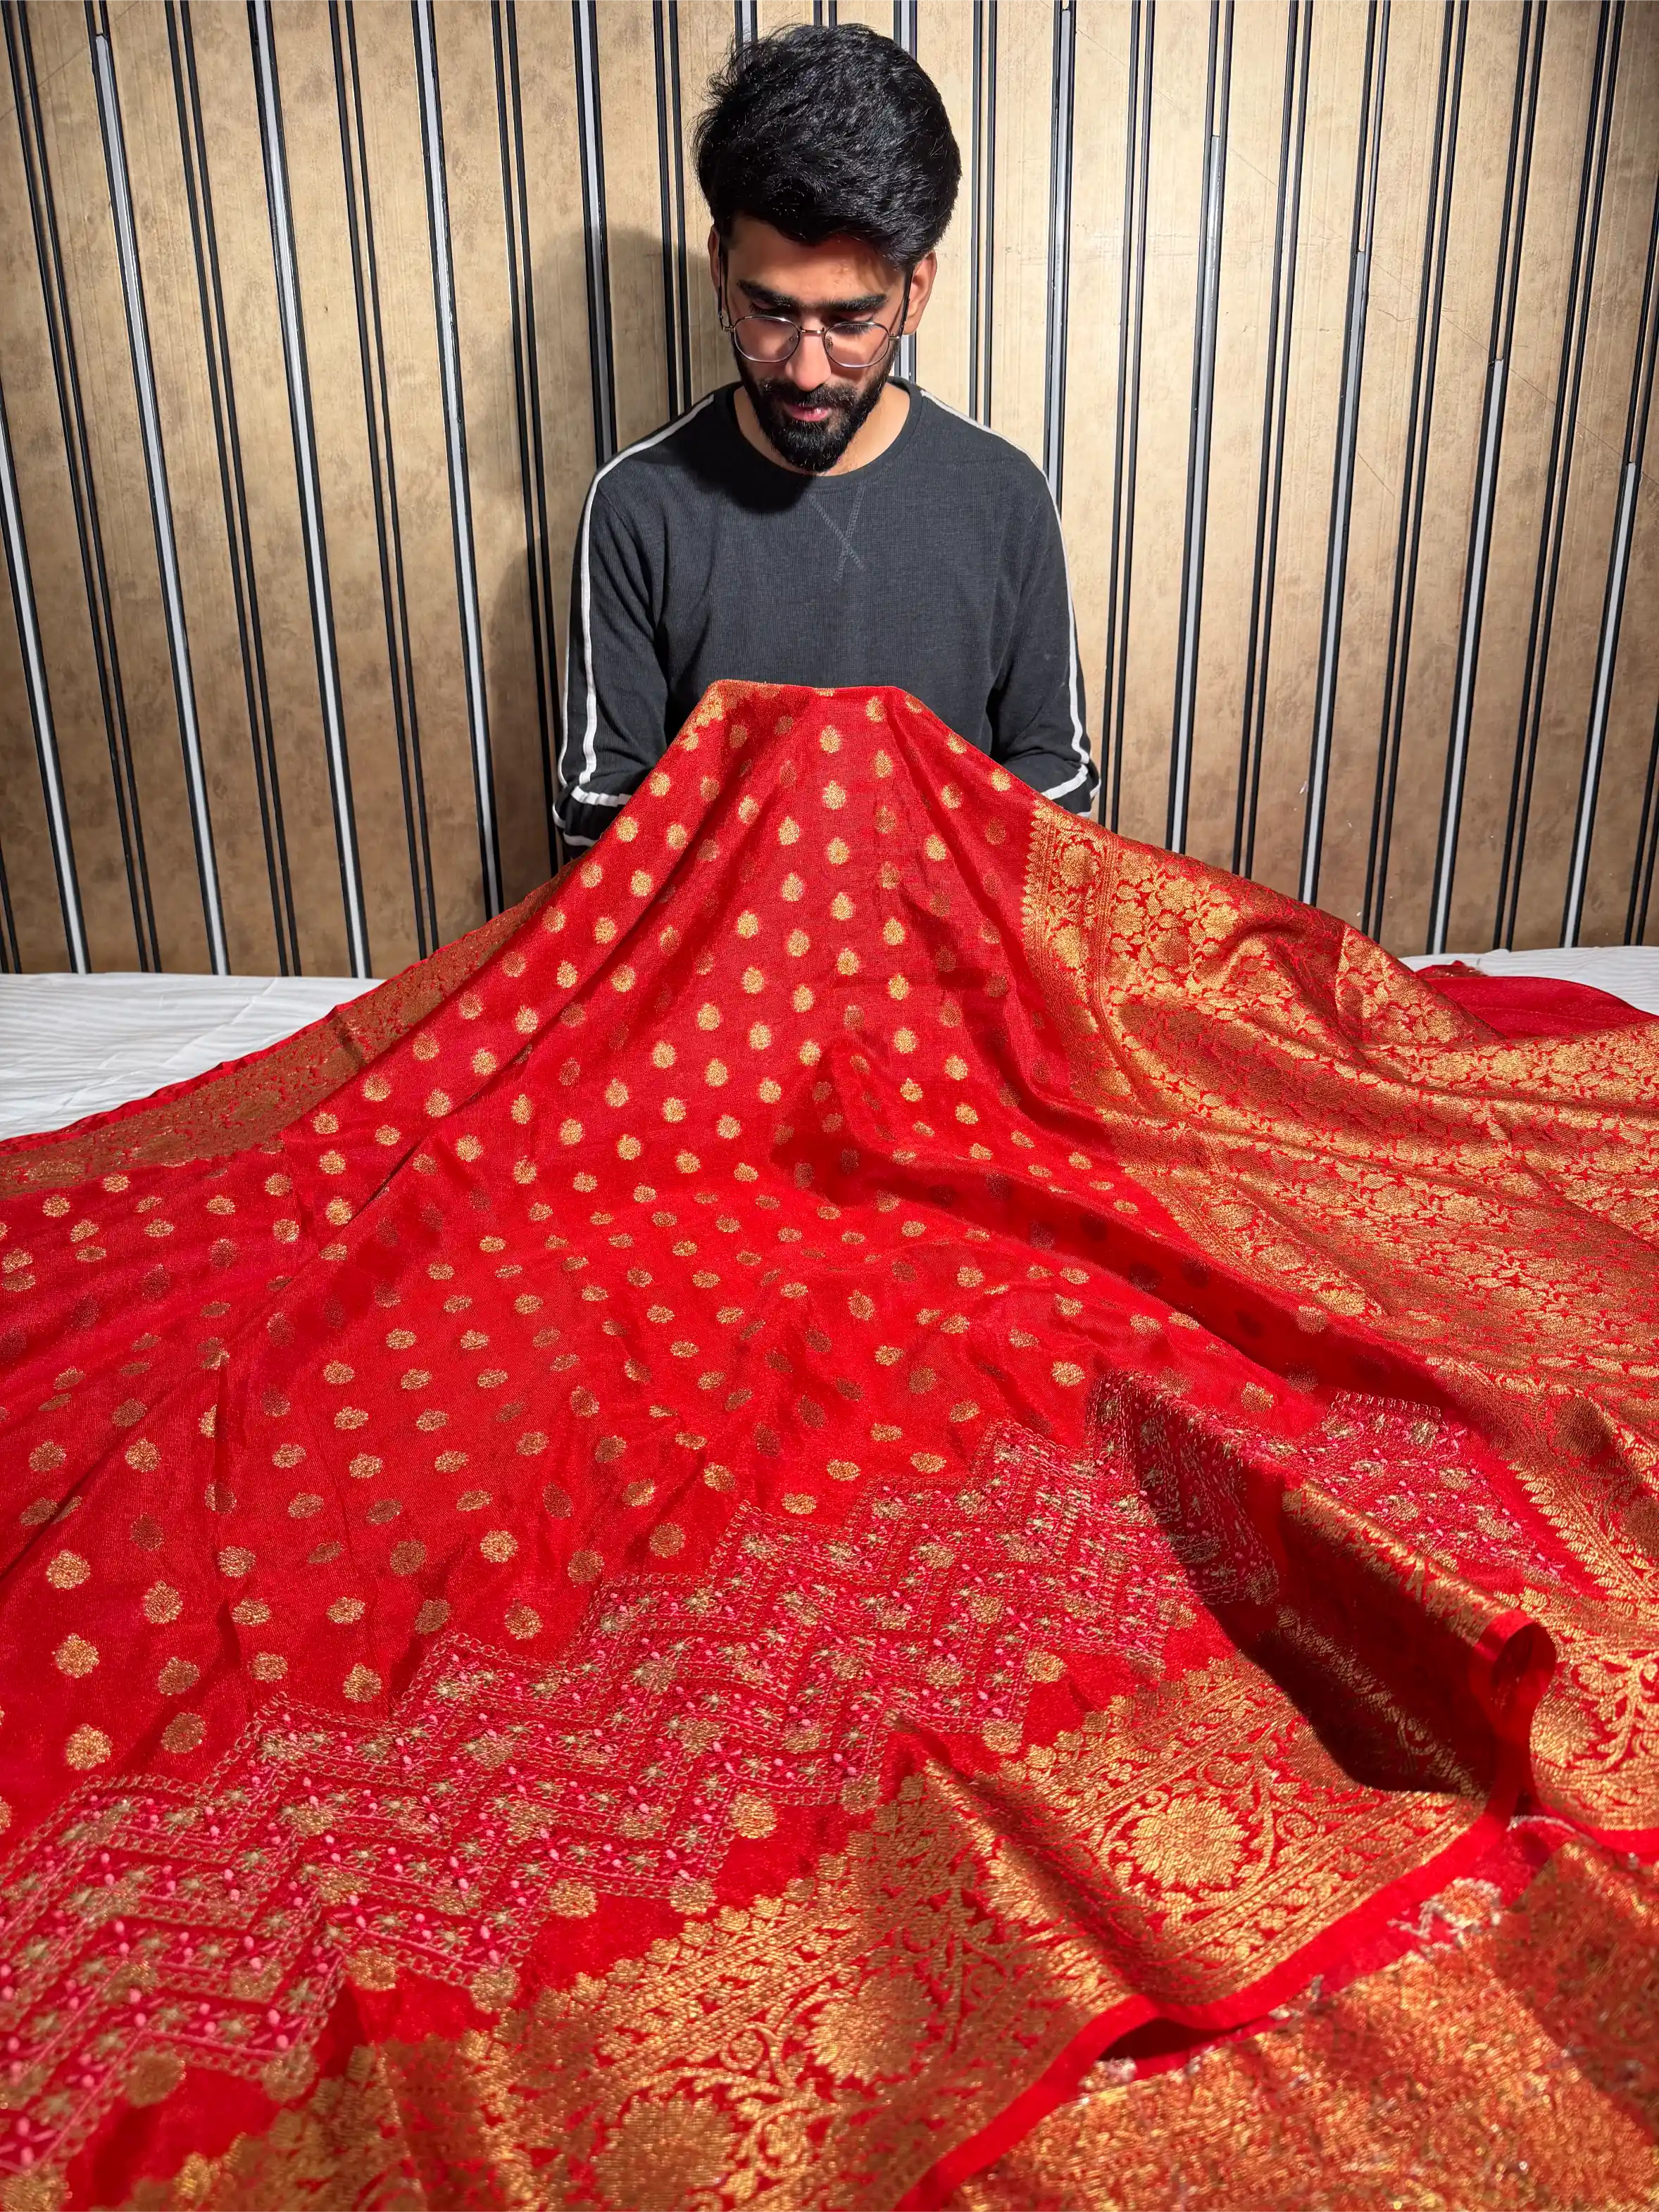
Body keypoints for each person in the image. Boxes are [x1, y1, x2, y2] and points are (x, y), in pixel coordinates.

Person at [557, 22, 1094, 853]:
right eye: (769, 311)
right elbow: (595, 810)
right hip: (721, 942)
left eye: (850, 321)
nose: (807, 371)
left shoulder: (1004, 496)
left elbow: (1060, 779)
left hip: (943, 937)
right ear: (719, 269)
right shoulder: (637, 505)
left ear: (914, 292)